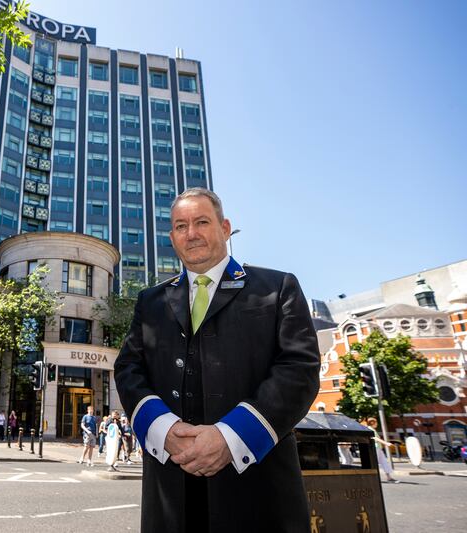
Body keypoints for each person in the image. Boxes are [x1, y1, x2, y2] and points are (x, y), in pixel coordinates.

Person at [114, 188, 320, 532]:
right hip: (171, 497)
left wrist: (230, 437)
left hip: (257, 496)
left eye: (201, 222)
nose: (191, 233)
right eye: (180, 226)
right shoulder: (150, 301)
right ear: (172, 237)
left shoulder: (276, 286)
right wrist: (161, 429)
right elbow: (129, 369)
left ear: (225, 228)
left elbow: (299, 370)